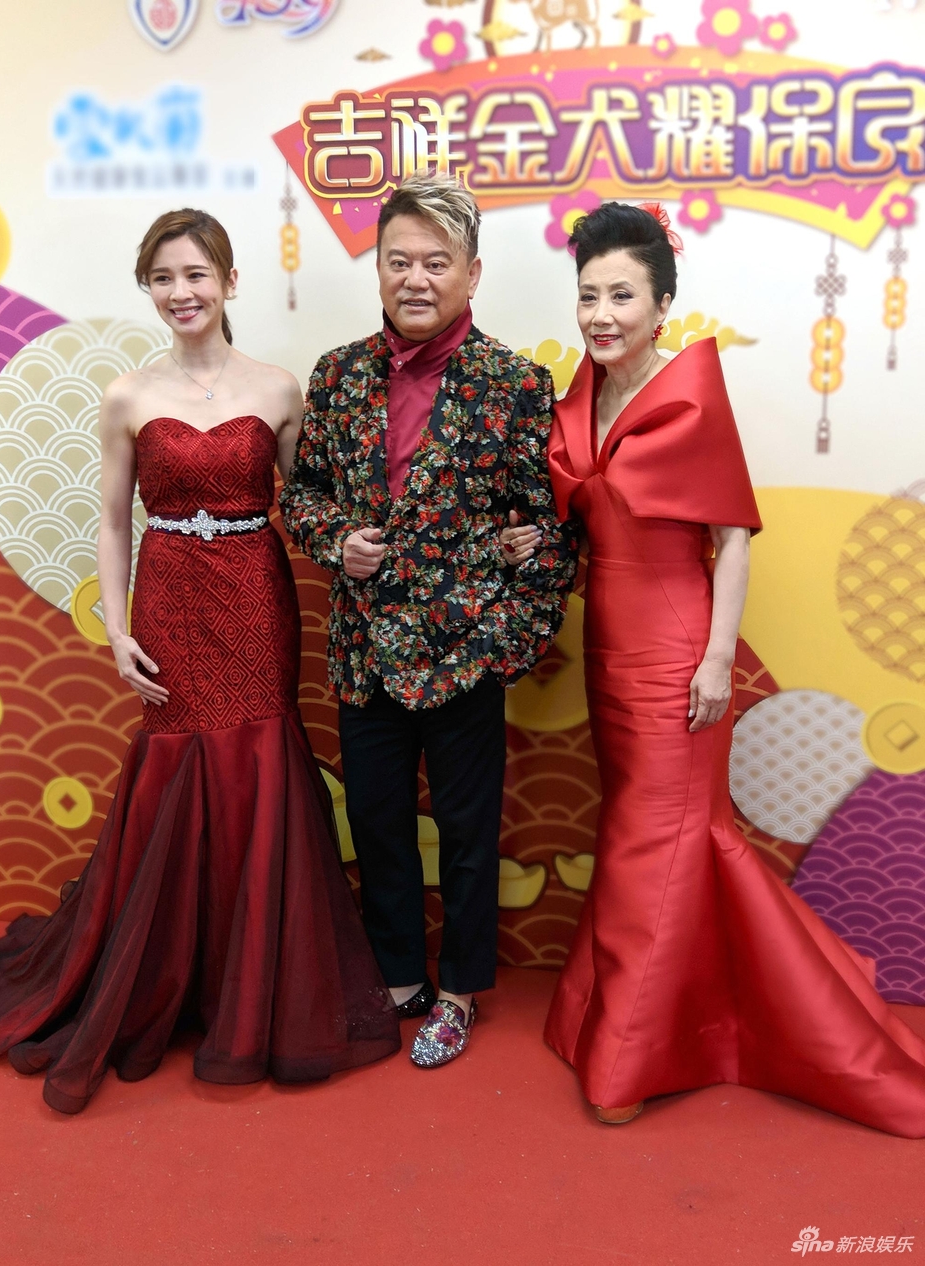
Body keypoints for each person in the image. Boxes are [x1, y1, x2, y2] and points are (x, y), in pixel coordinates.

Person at [505, 201, 925, 1136]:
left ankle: (632, 1051)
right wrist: (536, 539)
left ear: (663, 305)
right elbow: (589, 519)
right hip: (608, 648)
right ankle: (672, 1016)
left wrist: (716, 661)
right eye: (589, 295)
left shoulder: (689, 392)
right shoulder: (581, 396)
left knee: (657, 840)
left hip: (675, 646)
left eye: (623, 296)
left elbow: (732, 539)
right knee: (649, 833)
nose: (602, 314)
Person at [0, 208, 400, 1113]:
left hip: (255, 595)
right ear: (149, 289)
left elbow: (309, 506)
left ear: (230, 281)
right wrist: (118, 626)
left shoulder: (280, 389)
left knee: (257, 763)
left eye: (197, 274)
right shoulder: (128, 396)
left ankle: (251, 987)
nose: (182, 292)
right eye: (163, 278)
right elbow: (111, 519)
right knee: (179, 764)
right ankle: (172, 976)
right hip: (168, 596)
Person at [281, 174, 577, 1068]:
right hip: (366, 650)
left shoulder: (516, 384)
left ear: (472, 273)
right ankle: (401, 975)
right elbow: (302, 495)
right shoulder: (337, 375)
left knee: (468, 835)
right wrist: (337, 541)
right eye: (398, 260)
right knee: (376, 823)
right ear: (377, 268)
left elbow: (549, 532)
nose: (416, 278)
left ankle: (459, 991)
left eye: (436, 263)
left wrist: (504, 647)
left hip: (466, 655)